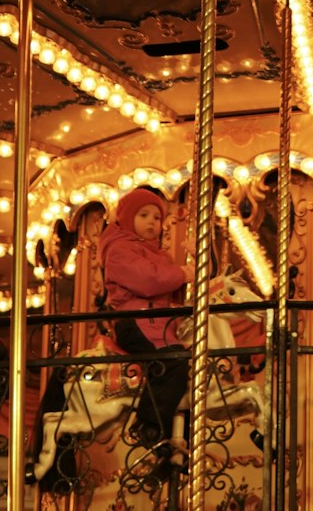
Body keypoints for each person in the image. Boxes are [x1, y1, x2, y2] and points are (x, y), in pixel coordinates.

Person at [98, 187, 193, 482]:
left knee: (191, 368)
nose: (153, 222)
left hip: (159, 323)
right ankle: (148, 425)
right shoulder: (119, 248)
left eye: (157, 217)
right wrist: (184, 272)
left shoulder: (155, 252)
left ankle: (177, 446)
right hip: (136, 321)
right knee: (174, 362)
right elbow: (149, 281)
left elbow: (168, 285)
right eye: (143, 215)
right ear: (127, 217)